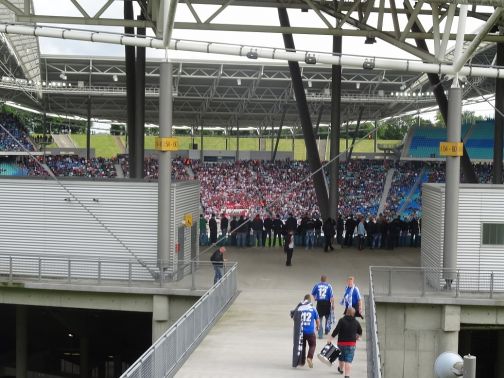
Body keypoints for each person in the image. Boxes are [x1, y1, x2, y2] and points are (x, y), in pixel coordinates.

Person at [326, 306, 362, 378]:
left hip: (341, 343)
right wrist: (357, 337)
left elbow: (336, 331)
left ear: (346, 312)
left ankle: (341, 369)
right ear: (353, 314)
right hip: (351, 344)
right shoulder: (356, 322)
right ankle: (347, 375)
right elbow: (360, 332)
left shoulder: (342, 320)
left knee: (341, 358)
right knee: (348, 361)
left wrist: (330, 339)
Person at [291, 294, 320, 368]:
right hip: (310, 331)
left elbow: (294, 318)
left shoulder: (299, 308)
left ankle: (302, 362)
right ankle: (309, 357)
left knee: (302, 346)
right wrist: (318, 326)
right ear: (310, 300)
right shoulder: (313, 308)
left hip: (301, 331)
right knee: (312, 345)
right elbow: (317, 319)